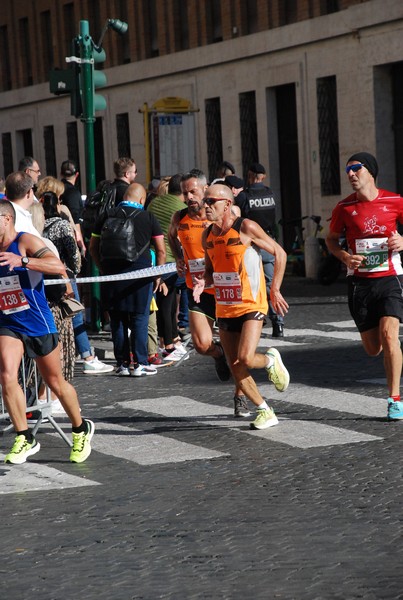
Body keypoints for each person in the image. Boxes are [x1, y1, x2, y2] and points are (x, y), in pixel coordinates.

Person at [0, 198, 94, 464]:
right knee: (7, 375)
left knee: (54, 382)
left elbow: (58, 267)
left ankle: (80, 428)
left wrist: (24, 260)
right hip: (8, 321)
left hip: (37, 321)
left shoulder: (25, 241)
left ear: (6, 219)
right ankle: (24, 437)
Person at [193, 183, 290, 430]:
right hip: (225, 306)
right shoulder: (208, 236)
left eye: (210, 201)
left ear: (226, 204)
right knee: (234, 364)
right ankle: (264, 410)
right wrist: (202, 282)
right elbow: (209, 271)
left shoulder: (245, 227)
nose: (206, 206)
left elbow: (279, 253)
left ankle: (269, 360)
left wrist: (274, 289)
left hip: (251, 304)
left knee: (245, 357)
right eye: (205, 201)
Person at [326, 151, 403, 421]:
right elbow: (331, 240)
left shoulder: (395, 201)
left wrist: (402, 241)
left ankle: (395, 399)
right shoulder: (344, 208)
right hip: (360, 284)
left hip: (390, 278)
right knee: (374, 348)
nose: (351, 174)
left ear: (370, 171)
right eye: (347, 170)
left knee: (390, 335)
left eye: (356, 168)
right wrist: (345, 256)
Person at [168, 171, 250, 415]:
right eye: (185, 192)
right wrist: (178, 258)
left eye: (193, 191)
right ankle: (218, 354)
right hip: (198, 290)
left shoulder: (225, 216)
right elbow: (172, 237)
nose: (189, 197)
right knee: (202, 345)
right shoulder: (179, 217)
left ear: (205, 191)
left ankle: (241, 395)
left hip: (227, 291)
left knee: (239, 354)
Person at [36, 176, 113, 375]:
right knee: (74, 314)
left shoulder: (35, 224)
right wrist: (75, 270)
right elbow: (73, 253)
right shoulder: (61, 224)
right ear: (58, 202)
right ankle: (87, 356)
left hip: (40, 276)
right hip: (63, 276)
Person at [90, 182, 166, 376]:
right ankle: (139, 364)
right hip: (140, 276)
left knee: (118, 320)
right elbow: (161, 250)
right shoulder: (148, 217)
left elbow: (93, 247)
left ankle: (122, 364)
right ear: (142, 200)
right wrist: (157, 275)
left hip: (112, 275)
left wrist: (103, 268)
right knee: (140, 318)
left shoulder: (106, 215)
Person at [237, 162, 284, 338]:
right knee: (273, 285)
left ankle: (251, 319)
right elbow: (274, 220)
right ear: (263, 177)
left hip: (249, 246)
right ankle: (278, 323)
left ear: (250, 175)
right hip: (269, 241)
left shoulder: (244, 196)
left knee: (249, 283)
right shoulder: (270, 193)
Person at [147, 173, 188, 361]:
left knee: (166, 301)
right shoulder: (182, 208)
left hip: (153, 257)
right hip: (171, 258)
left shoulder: (155, 203)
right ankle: (169, 344)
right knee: (169, 303)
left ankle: (169, 340)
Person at [60, 160, 85, 253]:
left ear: (61, 174)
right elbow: (75, 218)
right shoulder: (73, 192)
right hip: (70, 237)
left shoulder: (56, 189)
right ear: (77, 174)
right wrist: (80, 242)